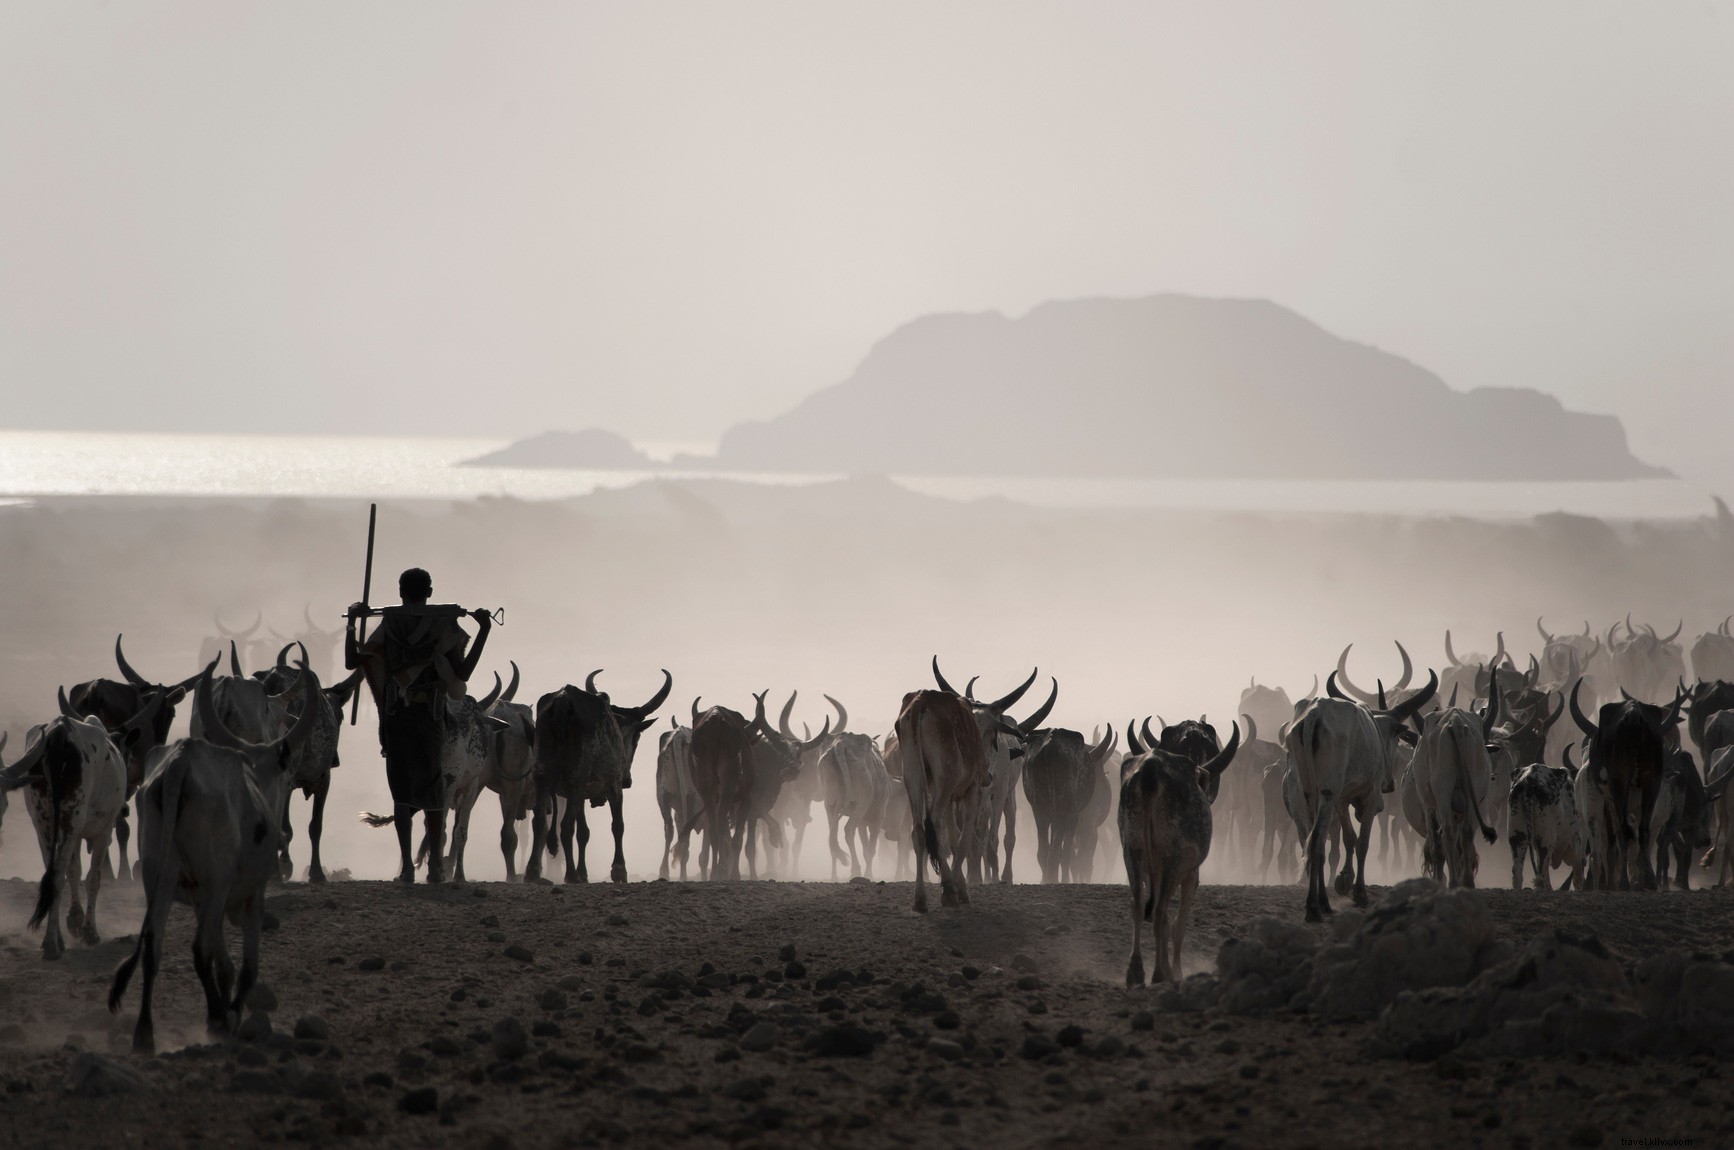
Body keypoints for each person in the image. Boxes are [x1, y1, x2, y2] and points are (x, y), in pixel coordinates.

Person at [347, 567, 493, 883]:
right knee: (434, 790)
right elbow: (463, 673)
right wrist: (484, 630)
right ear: (429, 592)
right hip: (431, 718)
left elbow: (353, 661)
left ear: (401, 592)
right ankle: (437, 868)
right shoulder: (443, 626)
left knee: (400, 794)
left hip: (396, 717)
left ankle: (406, 870)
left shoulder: (390, 624)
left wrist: (351, 623)